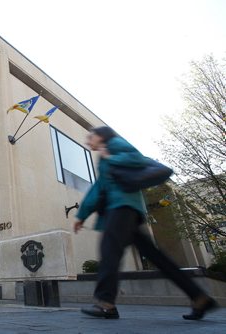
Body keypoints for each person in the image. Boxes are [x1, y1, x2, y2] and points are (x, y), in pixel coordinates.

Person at [74, 126, 218, 320]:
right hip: (122, 210)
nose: (87, 141)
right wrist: (82, 214)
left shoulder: (114, 145)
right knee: (157, 258)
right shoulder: (103, 155)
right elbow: (100, 188)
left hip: (123, 208)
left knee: (109, 252)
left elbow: (138, 159)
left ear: (100, 136)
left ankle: (105, 303)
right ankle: (199, 297)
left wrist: (111, 157)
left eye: (89, 137)